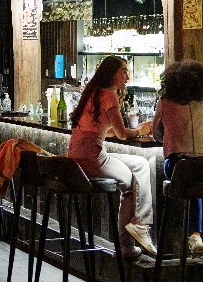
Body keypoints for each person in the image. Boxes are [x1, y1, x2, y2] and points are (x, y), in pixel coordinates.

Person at [68, 55, 156, 259]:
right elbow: (123, 134)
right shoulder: (109, 95)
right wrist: (142, 129)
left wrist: (129, 130)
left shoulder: (92, 93)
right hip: (92, 156)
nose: (127, 75)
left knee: (140, 164)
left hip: (76, 155)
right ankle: (131, 238)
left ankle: (136, 231)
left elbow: (104, 131)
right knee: (131, 183)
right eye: (124, 70)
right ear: (112, 73)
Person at [152, 60, 203, 256]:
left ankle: (195, 235)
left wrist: (170, 137)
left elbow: (156, 133)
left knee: (188, 175)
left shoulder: (164, 102)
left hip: (177, 165)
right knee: (198, 178)